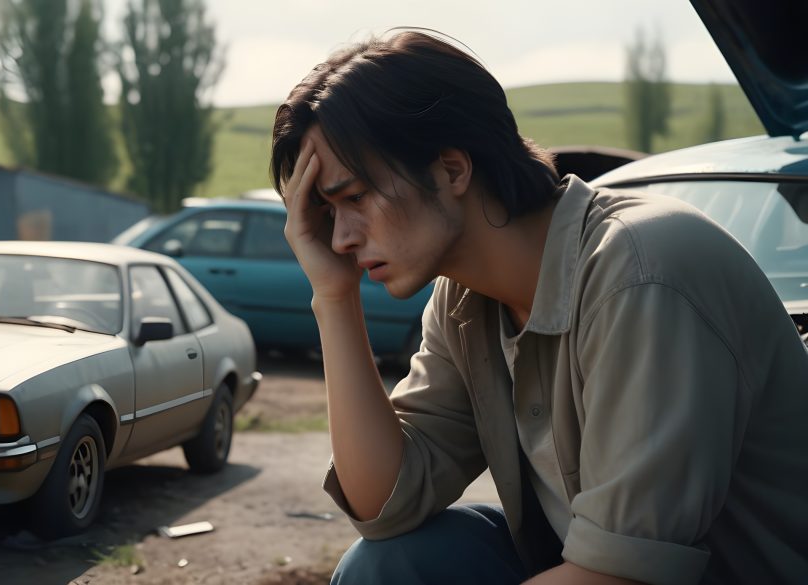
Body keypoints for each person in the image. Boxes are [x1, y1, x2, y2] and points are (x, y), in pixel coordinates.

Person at [269, 30, 808, 585]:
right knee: (391, 564)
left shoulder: (642, 271)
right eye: (330, 212)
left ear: (451, 169)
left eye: (354, 197)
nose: (340, 239)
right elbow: (387, 503)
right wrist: (334, 298)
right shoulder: (463, 299)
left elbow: (619, 575)